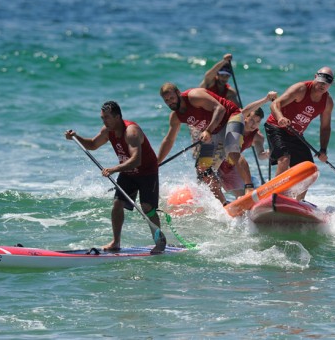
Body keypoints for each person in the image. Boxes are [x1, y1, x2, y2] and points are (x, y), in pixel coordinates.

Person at [64, 101, 163, 253]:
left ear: (117, 117)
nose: (104, 121)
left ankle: (159, 242)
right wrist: (76, 137)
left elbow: (137, 160)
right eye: (102, 118)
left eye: (107, 118)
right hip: (128, 173)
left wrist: (113, 169)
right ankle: (116, 242)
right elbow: (92, 144)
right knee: (117, 204)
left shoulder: (131, 132)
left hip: (146, 173)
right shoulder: (108, 130)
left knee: (147, 208)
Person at [158, 83, 250, 204]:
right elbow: (169, 140)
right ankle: (224, 204)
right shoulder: (176, 117)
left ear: (178, 93)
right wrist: (157, 162)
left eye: (172, 98)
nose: (170, 102)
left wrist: (208, 130)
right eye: (167, 101)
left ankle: (250, 188)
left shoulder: (194, 97)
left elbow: (220, 109)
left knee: (232, 151)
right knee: (202, 168)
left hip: (231, 117)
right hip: (214, 132)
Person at [264, 67, 335, 199]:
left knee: (309, 170)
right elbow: (275, 105)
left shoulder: (328, 102)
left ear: (331, 85)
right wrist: (280, 117)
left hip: (295, 134)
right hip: (276, 127)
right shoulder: (301, 89)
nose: (322, 85)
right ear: (315, 77)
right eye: (320, 81)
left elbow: (325, 127)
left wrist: (323, 150)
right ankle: (274, 196)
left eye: (325, 83)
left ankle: (297, 201)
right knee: (285, 159)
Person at [217, 91, 277, 197]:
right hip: (216, 163)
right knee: (209, 191)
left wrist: (268, 153)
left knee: (242, 197)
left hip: (230, 167)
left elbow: (260, 155)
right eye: (252, 120)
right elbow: (245, 111)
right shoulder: (236, 121)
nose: (254, 124)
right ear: (245, 118)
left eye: (258, 122)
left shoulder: (258, 137)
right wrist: (266, 99)